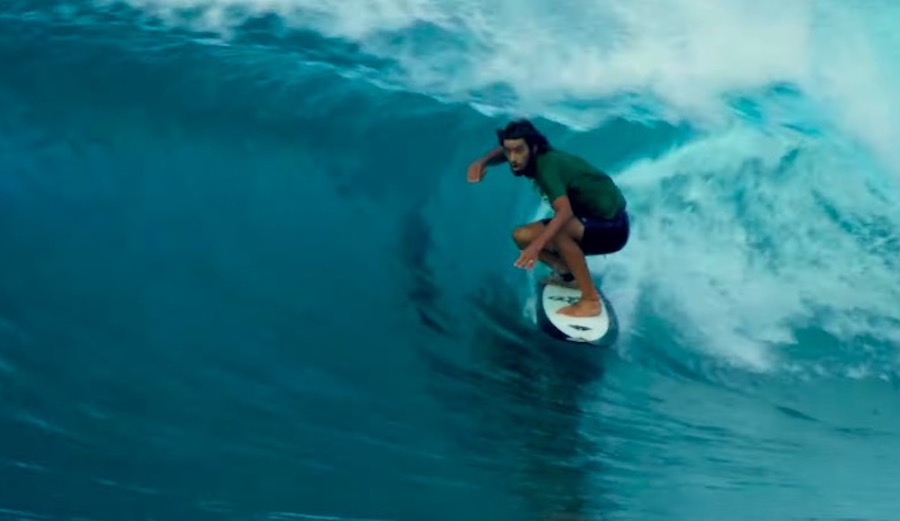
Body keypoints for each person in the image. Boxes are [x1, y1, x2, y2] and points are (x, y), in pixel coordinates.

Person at [466, 119, 630, 317]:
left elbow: (565, 212)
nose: (513, 158)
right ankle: (568, 274)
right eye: (509, 152)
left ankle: (590, 301)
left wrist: (537, 247)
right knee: (522, 236)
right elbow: (507, 149)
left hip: (613, 227)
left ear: (533, 148)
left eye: (519, 151)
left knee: (558, 232)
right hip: (591, 219)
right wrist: (482, 162)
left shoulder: (547, 168)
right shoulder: (532, 155)